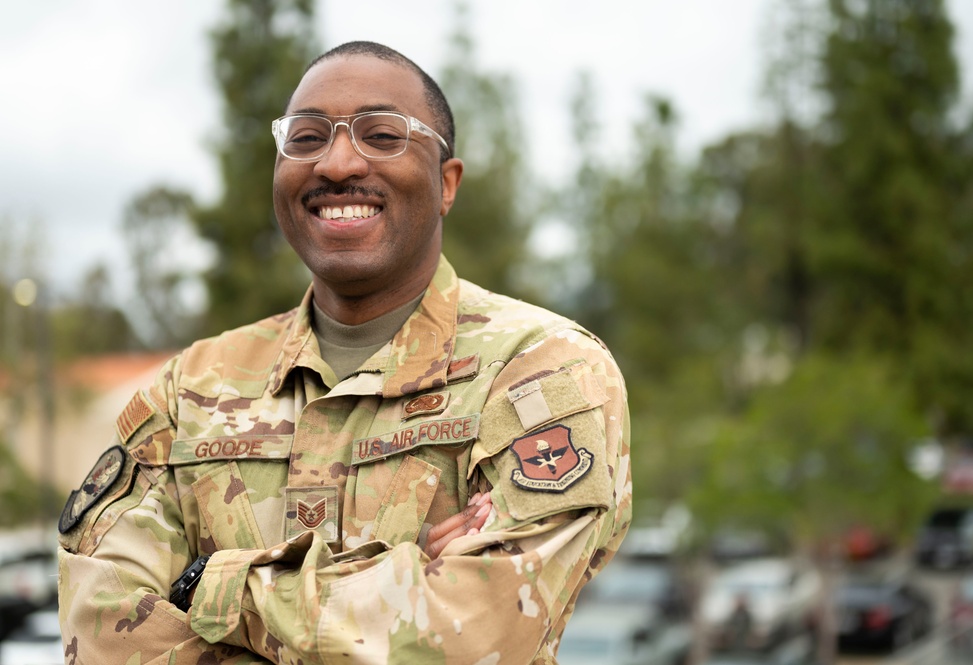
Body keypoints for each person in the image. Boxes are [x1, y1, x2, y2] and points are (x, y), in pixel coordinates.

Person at [57, 40, 631, 664]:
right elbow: (99, 632)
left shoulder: (541, 371)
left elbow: (471, 636)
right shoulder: (189, 389)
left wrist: (209, 584)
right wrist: (401, 577)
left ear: (446, 183)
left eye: (382, 135)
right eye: (306, 137)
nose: (335, 163)